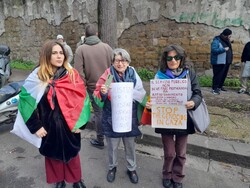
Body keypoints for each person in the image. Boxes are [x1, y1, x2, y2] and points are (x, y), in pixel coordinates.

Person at [14, 40, 90, 188]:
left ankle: (76, 180)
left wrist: (81, 122)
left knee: (72, 155)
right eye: (54, 53)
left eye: (61, 53)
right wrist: (35, 126)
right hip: (48, 128)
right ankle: (59, 180)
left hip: (69, 126)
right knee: (53, 157)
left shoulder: (71, 74)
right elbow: (25, 103)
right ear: (46, 55)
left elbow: (83, 98)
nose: (59, 56)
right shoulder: (36, 77)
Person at [145, 45, 202, 188]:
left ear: (181, 59)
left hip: (183, 119)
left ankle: (177, 177)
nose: (173, 60)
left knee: (181, 153)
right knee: (169, 153)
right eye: (169, 58)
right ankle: (166, 174)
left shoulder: (189, 74)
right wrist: (151, 107)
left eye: (176, 57)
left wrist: (193, 102)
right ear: (165, 59)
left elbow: (198, 93)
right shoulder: (159, 75)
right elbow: (155, 99)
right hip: (166, 120)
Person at [93, 48, 147, 184]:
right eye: (117, 60)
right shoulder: (109, 75)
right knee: (112, 146)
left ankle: (131, 168)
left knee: (130, 145)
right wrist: (103, 92)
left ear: (128, 62)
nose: (120, 64)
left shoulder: (133, 73)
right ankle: (112, 167)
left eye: (123, 61)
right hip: (112, 118)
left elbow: (140, 92)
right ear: (113, 62)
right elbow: (98, 95)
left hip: (130, 118)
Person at [74, 23, 113, 149]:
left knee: (99, 113)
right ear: (97, 34)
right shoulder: (107, 47)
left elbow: (78, 72)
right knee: (110, 111)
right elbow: (114, 68)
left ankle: (100, 139)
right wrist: (107, 84)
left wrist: (84, 85)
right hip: (109, 85)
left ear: (85, 35)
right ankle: (113, 137)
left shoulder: (81, 49)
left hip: (93, 87)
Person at [210, 28, 233, 95]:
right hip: (218, 62)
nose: (230, 37)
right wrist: (223, 49)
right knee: (217, 75)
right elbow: (214, 50)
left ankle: (220, 87)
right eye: (229, 36)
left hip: (226, 62)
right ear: (226, 35)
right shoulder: (216, 41)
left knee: (223, 75)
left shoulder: (226, 40)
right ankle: (214, 89)